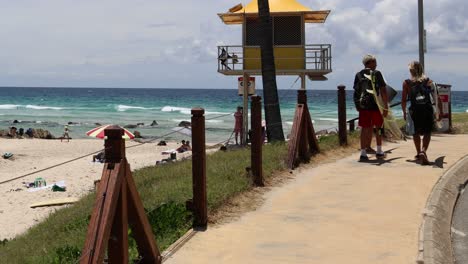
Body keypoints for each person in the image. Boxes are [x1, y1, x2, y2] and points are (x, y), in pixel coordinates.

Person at [401, 61, 441, 165]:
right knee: (427, 131)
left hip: (414, 110)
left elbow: (404, 100)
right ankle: (423, 151)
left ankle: (419, 153)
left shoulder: (406, 83)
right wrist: (439, 111)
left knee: (416, 132)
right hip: (427, 109)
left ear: (411, 71)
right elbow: (437, 98)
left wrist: (404, 112)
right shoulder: (428, 81)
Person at [354, 54, 389, 162]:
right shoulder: (377, 73)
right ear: (369, 62)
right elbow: (383, 90)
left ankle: (363, 153)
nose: (376, 64)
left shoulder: (358, 75)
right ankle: (379, 151)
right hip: (376, 105)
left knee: (364, 129)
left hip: (364, 106)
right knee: (378, 128)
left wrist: (357, 105)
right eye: (374, 62)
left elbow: (356, 92)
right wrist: (385, 106)